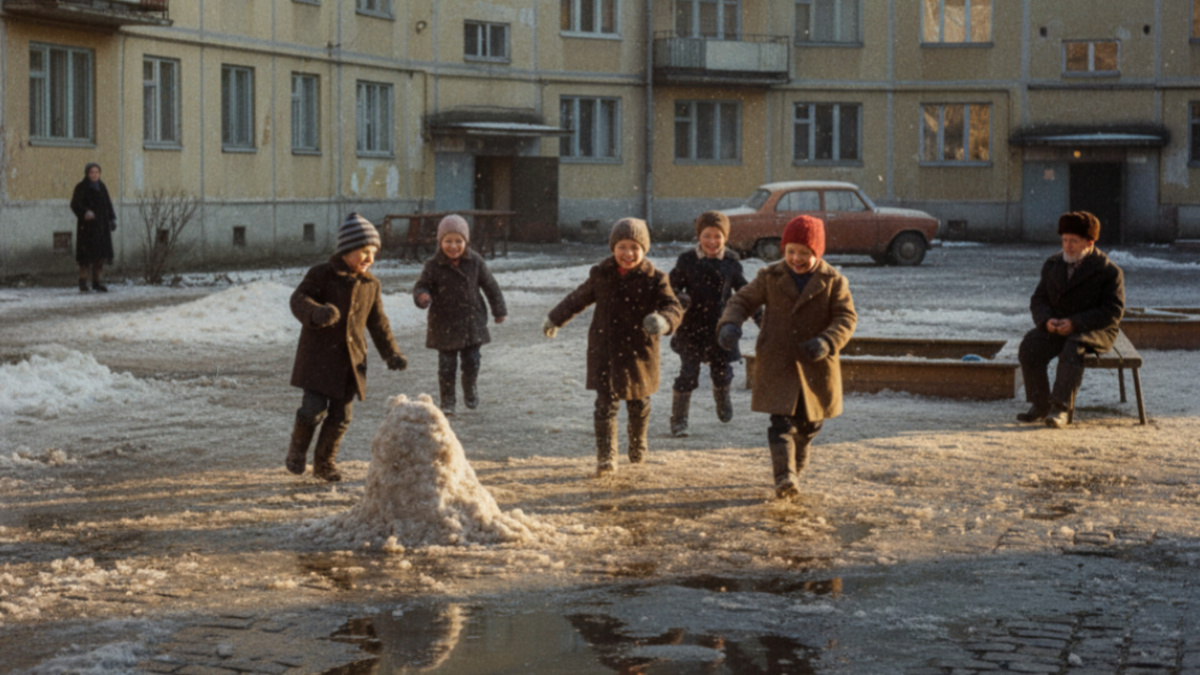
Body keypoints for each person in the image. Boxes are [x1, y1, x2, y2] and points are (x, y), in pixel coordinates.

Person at [717, 215, 857, 500]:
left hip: (815, 363)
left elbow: (846, 317)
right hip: (778, 361)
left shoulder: (833, 281)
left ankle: (799, 456)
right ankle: (784, 477)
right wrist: (731, 323)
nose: (796, 258)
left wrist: (827, 342)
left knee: (809, 424)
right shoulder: (770, 276)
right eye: (791, 251)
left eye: (804, 253)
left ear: (817, 252)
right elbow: (741, 300)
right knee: (780, 423)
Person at [543, 218, 684, 476]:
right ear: (612, 248)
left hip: (639, 351)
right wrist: (555, 317)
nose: (628, 253)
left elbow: (673, 306)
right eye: (622, 246)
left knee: (638, 402)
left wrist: (664, 321)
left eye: (634, 247)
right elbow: (578, 298)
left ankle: (637, 441)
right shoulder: (601, 274)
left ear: (644, 250)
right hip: (605, 350)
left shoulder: (656, 278)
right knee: (605, 405)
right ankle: (606, 457)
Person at [286, 212, 409, 481]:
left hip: (350, 363)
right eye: (364, 252)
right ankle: (297, 451)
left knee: (342, 416)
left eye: (374, 253)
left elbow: (378, 323)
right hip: (319, 360)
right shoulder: (321, 275)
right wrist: (316, 312)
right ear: (346, 249)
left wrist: (392, 353)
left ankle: (324, 463)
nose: (370, 259)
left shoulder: (371, 285)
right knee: (313, 409)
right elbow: (298, 299)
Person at [1017, 211, 1125, 429]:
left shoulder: (1108, 271)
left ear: (1089, 242)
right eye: (1064, 240)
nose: (1067, 246)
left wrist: (1075, 323)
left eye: (1074, 241)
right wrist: (1047, 321)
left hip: (1096, 329)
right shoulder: (1053, 265)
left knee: (1073, 346)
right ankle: (1040, 404)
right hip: (1058, 326)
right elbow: (1038, 299)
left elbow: (1112, 311)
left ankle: (1060, 408)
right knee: (1030, 345)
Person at [413, 214, 507, 416]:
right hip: (443, 322)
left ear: (466, 241)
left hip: (471, 322)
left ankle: (470, 387)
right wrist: (422, 295)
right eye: (448, 241)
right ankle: (447, 401)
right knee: (446, 366)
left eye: (458, 241)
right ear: (440, 242)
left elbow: (490, 286)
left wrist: (499, 310)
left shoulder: (475, 262)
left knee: (472, 361)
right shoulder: (432, 265)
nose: (453, 246)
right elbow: (422, 285)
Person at [667, 210, 748, 436]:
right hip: (691, 328)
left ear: (725, 237)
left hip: (720, 328)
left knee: (722, 373)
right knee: (688, 373)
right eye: (706, 235)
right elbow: (669, 287)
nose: (712, 241)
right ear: (698, 236)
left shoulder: (731, 262)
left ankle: (723, 398)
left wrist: (758, 311)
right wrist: (679, 297)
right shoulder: (687, 260)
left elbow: (744, 290)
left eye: (717, 236)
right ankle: (679, 419)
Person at [69, 162, 117, 293]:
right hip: (87, 228)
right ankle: (83, 282)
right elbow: (74, 204)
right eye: (92, 172)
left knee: (100, 257)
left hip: (101, 227)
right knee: (86, 258)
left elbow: (108, 204)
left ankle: (97, 282)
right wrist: (85, 212)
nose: (94, 175)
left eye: (97, 172)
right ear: (87, 174)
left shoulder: (102, 187)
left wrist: (112, 219)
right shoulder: (81, 187)